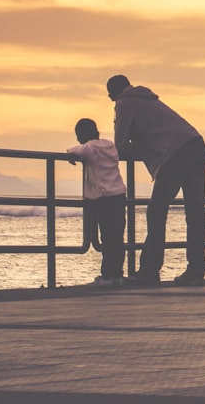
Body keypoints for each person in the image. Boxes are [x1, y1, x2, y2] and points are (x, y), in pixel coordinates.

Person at [107, 74, 205, 286]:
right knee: (195, 213)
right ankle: (196, 269)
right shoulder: (149, 99)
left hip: (175, 154)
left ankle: (149, 271)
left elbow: (120, 146)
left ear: (113, 94)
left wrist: (140, 147)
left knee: (156, 211)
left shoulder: (125, 103)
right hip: (196, 144)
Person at [68, 118, 127, 288]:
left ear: (81, 136)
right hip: (118, 194)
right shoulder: (110, 146)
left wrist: (70, 153)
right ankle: (118, 275)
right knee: (117, 238)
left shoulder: (91, 148)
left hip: (102, 197)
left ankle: (107, 276)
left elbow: (79, 150)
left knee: (107, 238)